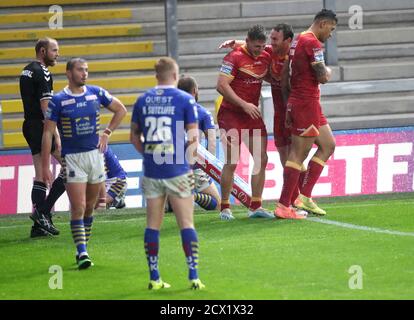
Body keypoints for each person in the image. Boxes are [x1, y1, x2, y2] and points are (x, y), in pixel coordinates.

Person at [41, 57, 127, 269]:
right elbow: (48, 133)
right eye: (80, 70)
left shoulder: (95, 93)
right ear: (69, 73)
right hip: (72, 159)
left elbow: (121, 109)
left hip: (95, 157)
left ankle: (83, 246)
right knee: (78, 206)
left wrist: (107, 133)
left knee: (90, 207)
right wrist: (44, 165)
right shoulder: (58, 100)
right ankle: (82, 252)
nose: (85, 73)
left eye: (86, 70)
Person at [130, 57, 205, 290]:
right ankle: (193, 276)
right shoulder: (184, 99)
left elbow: (134, 136)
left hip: (152, 171)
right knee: (186, 223)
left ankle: (154, 277)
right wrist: (189, 163)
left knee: (153, 225)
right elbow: (193, 138)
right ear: (175, 75)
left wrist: (149, 156)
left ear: (156, 76)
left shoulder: (142, 100)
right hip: (178, 169)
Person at [275, 9, 337, 218]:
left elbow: (284, 76)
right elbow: (322, 77)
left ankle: (305, 197)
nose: (331, 34)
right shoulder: (312, 43)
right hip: (306, 103)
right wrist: (328, 71)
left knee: (328, 145)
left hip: (302, 103)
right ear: (323, 24)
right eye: (332, 29)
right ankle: (284, 205)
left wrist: (287, 105)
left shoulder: (297, 40)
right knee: (298, 154)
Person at [216, 24, 274, 220]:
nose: (259, 50)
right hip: (230, 114)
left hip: (251, 116)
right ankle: (225, 208)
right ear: (247, 41)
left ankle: (255, 206)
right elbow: (221, 86)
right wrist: (244, 104)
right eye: (255, 46)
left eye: (262, 46)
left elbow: (278, 50)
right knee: (232, 161)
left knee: (262, 159)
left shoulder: (266, 55)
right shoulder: (233, 57)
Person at [20, 37, 66, 237]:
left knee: (40, 175)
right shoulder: (43, 72)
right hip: (41, 126)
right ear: (42, 51)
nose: (57, 54)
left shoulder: (27, 70)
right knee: (72, 168)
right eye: (54, 50)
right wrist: (55, 133)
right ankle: (44, 212)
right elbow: (46, 107)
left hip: (29, 125)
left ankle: (38, 226)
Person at [177, 75, 221, 211]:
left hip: (171, 167)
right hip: (194, 166)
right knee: (218, 204)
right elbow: (212, 142)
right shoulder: (203, 113)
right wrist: (206, 167)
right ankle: (192, 197)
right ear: (195, 90)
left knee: (172, 205)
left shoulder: (171, 111)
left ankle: (173, 200)